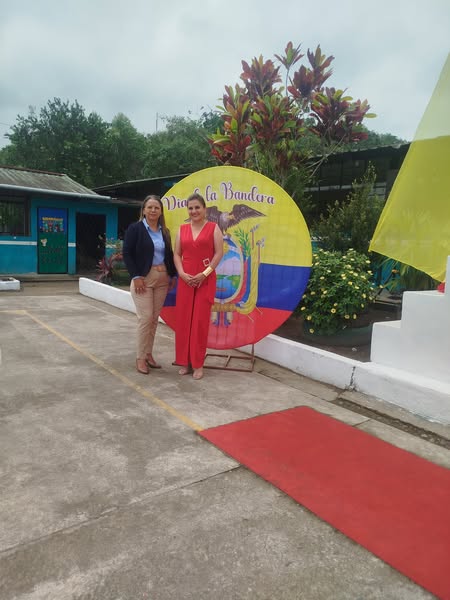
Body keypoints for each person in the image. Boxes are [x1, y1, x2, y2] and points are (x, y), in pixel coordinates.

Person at [123, 195, 177, 374]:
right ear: (144, 210)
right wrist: (136, 276)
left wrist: (172, 275)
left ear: (161, 212)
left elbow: (169, 255)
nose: (153, 210)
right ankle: (140, 358)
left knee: (154, 319)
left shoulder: (164, 232)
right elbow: (127, 253)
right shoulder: (135, 229)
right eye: (150, 207)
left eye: (157, 208)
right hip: (143, 279)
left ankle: (148, 354)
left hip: (162, 279)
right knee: (145, 318)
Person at [174, 192, 224, 380]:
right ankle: (184, 361)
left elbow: (218, 253)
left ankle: (198, 364)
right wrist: (181, 273)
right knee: (184, 321)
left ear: (204, 209)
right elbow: (176, 254)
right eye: (190, 208)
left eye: (197, 207)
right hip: (186, 280)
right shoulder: (182, 229)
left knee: (200, 323)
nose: (194, 211)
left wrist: (204, 274)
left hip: (205, 280)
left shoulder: (213, 228)